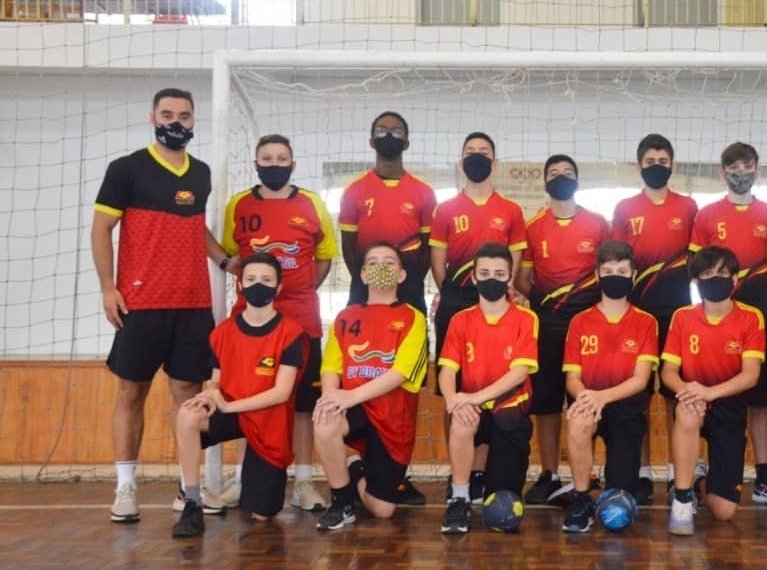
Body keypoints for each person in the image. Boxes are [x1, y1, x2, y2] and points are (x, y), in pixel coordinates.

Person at [91, 87, 234, 523]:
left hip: (192, 305)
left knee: (188, 396)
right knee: (131, 393)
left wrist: (227, 260)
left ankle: (186, 489)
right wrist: (108, 287)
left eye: (185, 115)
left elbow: (196, 230)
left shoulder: (202, 173)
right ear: (152, 117)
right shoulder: (126, 169)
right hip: (140, 304)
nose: (177, 122)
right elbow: (101, 231)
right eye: (168, 113)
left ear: (194, 121)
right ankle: (126, 488)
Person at [219, 133, 336, 512]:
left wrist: (297, 292)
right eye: (266, 158)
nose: (273, 164)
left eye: (281, 158)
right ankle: (242, 478)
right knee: (246, 400)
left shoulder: (311, 203)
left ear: (292, 164)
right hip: (247, 325)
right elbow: (234, 257)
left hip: (301, 320)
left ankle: (303, 482)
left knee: (303, 405)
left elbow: (324, 258)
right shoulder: (238, 204)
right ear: (255, 163)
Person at [171, 253, 308, 537]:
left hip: (267, 421)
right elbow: (217, 381)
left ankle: (251, 480)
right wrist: (209, 396)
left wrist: (230, 407)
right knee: (187, 414)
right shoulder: (223, 332)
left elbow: (281, 394)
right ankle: (192, 502)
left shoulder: (292, 333)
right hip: (229, 410)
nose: (259, 285)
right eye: (252, 279)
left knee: (262, 515)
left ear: (278, 287)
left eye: (267, 280)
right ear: (241, 285)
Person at [430, 132, 527, 502]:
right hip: (457, 298)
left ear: (495, 162)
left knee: (496, 381)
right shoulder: (446, 209)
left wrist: (500, 289)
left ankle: (483, 471)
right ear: (460, 161)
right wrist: (455, 292)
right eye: (470, 152)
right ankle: (461, 473)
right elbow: (438, 262)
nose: (477, 157)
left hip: (499, 297)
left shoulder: (511, 210)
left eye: (484, 152)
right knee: (453, 390)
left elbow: (514, 263)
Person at [689, 141, 767, 507]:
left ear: (757, 170)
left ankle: (763, 476)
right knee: (709, 398)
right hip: (717, 320)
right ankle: (698, 473)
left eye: (746, 165)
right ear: (722, 171)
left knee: (759, 399)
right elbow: (697, 270)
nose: (740, 172)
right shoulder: (707, 215)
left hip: (760, 318)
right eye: (732, 166)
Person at [312, 242, 428, 530]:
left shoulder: (413, 318)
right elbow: (331, 366)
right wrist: (329, 396)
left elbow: (400, 373)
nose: (381, 268)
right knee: (325, 420)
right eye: (373, 263)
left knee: (383, 511)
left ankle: (355, 469)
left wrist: (350, 396)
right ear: (362, 275)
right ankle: (341, 503)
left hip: (391, 418)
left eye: (389, 263)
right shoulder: (345, 317)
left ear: (401, 275)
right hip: (355, 409)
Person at [516, 154, 610, 505]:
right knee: (547, 403)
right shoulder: (533, 226)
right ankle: (549, 474)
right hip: (548, 325)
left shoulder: (599, 223)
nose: (560, 177)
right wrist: (549, 304)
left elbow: (609, 273)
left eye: (567, 172)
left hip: (589, 327)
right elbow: (523, 279)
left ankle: (587, 474)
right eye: (553, 173)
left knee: (585, 399)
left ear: (578, 180)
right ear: (544, 181)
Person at [611, 133, 698, 503]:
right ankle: (644, 470)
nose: (657, 167)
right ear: (638, 166)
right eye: (650, 162)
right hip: (638, 314)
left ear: (673, 165)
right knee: (641, 393)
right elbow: (614, 259)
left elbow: (698, 261)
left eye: (663, 161)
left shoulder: (689, 205)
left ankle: (683, 473)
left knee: (677, 395)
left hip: (678, 312)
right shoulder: (625, 208)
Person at [660, 246, 764, 535]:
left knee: (724, 512)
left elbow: (750, 375)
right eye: (707, 274)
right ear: (695, 281)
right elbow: (668, 371)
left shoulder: (751, 317)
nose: (714, 278)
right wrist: (687, 391)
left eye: (721, 273)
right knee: (687, 411)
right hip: (693, 400)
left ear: (734, 279)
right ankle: (682, 499)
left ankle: (700, 481)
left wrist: (710, 393)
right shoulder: (682, 317)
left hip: (729, 406)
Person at [437, 243, 539, 534]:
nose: (491, 278)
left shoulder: (525, 318)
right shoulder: (461, 319)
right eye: (485, 272)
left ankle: (489, 479)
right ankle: (458, 498)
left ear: (509, 277)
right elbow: (447, 370)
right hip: (473, 408)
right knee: (461, 418)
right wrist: (452, 400)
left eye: (499, 273)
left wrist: (472, 397)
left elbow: (519, 373)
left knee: (502, 501)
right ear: (474, 277)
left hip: (510, 412)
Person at [559, 241, 657, 533]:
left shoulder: (646, 322)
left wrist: (603, 397)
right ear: (598, 276)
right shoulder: (579, 321)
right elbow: (572, 378)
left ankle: (609, 489)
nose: (615, 275)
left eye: (622, 270)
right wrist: (588, 399)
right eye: (608, 270)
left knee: (618, 498)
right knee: (577, 421)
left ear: (633, 274)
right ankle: (580, 497)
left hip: (626, 409)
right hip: (590, 403)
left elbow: (641, 380)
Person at [339, 111, 436, 313]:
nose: (389, 136)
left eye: (396, 131)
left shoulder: (424, 191)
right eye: (382, 131)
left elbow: (428, 248)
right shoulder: (353, 190)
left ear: (407, 143)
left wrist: (412, 278)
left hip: (409, 285)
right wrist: (365, 278)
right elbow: (348, 246)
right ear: (372, 141)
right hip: (364, 286)